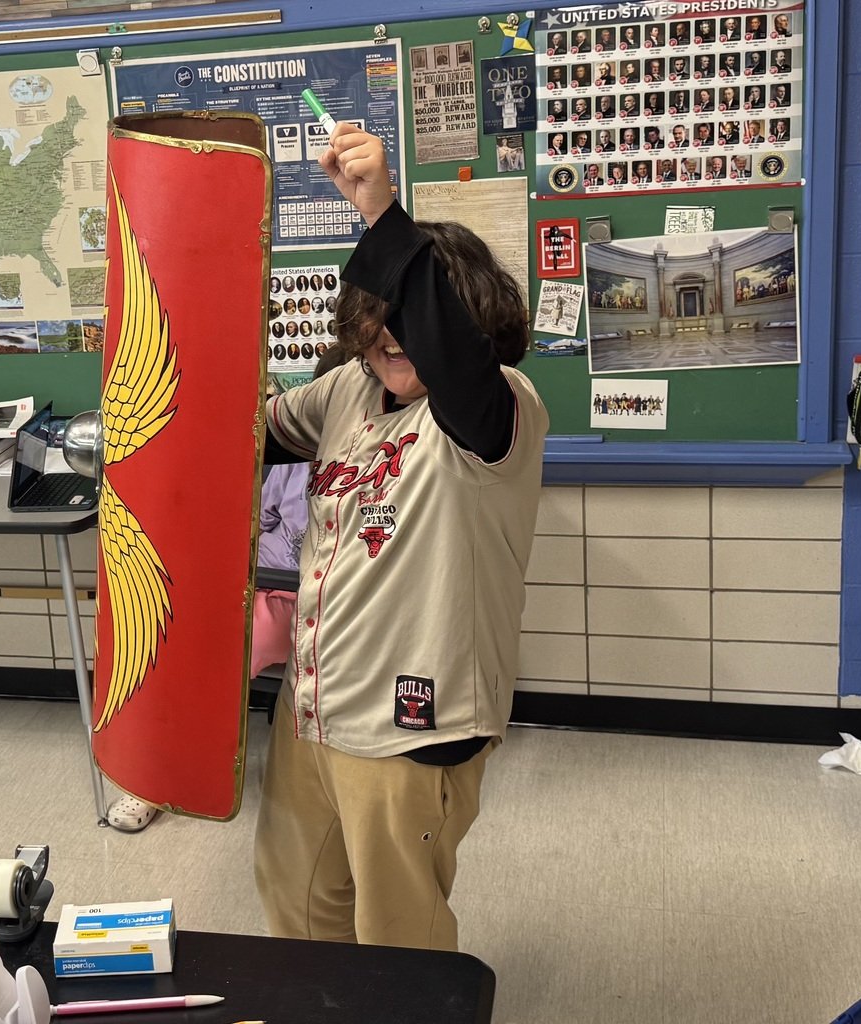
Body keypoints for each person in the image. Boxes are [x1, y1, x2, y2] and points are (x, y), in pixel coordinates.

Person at [254, 123, 548, 951]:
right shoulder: (349, 390)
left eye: (409, 320)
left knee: (398, 940)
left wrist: (381, 212)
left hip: (411, 725)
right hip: (313, 712)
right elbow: (254, 435)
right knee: (299, 907)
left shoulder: (498, 410)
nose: (391, 340)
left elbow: (452, 360)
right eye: (376, 321)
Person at [106, 347, 349, 832]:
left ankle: (180, 765)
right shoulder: (292, 459)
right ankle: (153, 776)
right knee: (172, 634)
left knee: (228, 652)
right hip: (257, 582)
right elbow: (265, 520)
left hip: (303, 598)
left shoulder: (376, 466)